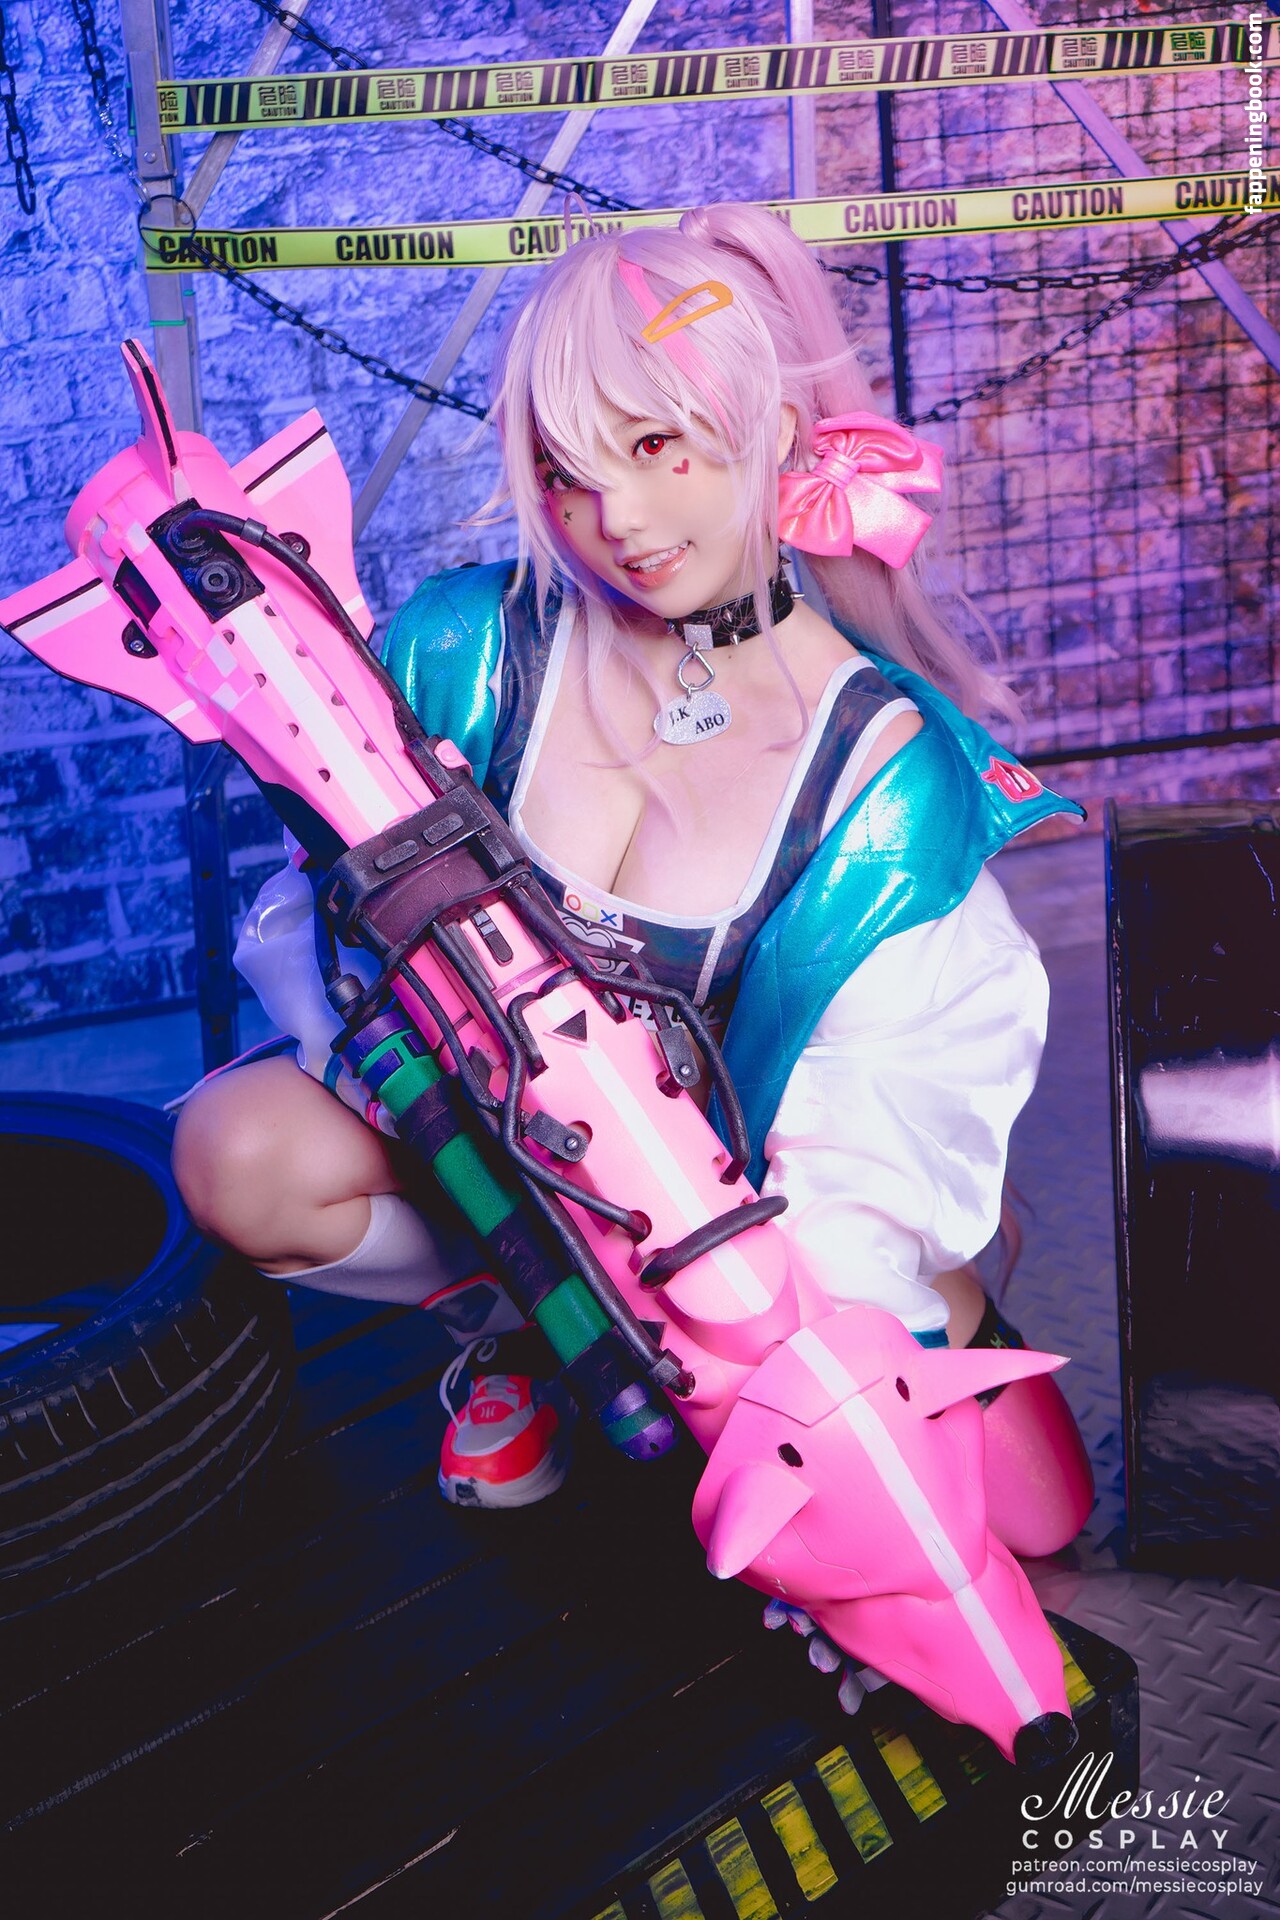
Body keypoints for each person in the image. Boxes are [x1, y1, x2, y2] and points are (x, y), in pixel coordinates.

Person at [173, 203, 1092, 1543]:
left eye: (657, 447)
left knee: (1026, 1526)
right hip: (513, 1165)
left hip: (758, 1221)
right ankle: (527, 1329)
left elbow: (868, 1142)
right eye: (567, 471)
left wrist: (799, 1366)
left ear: (775, 429)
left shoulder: (884, 779)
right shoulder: (466, 649)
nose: (618, 518)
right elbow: (356, 937)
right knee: (239, 1152)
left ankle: (848, 1321)